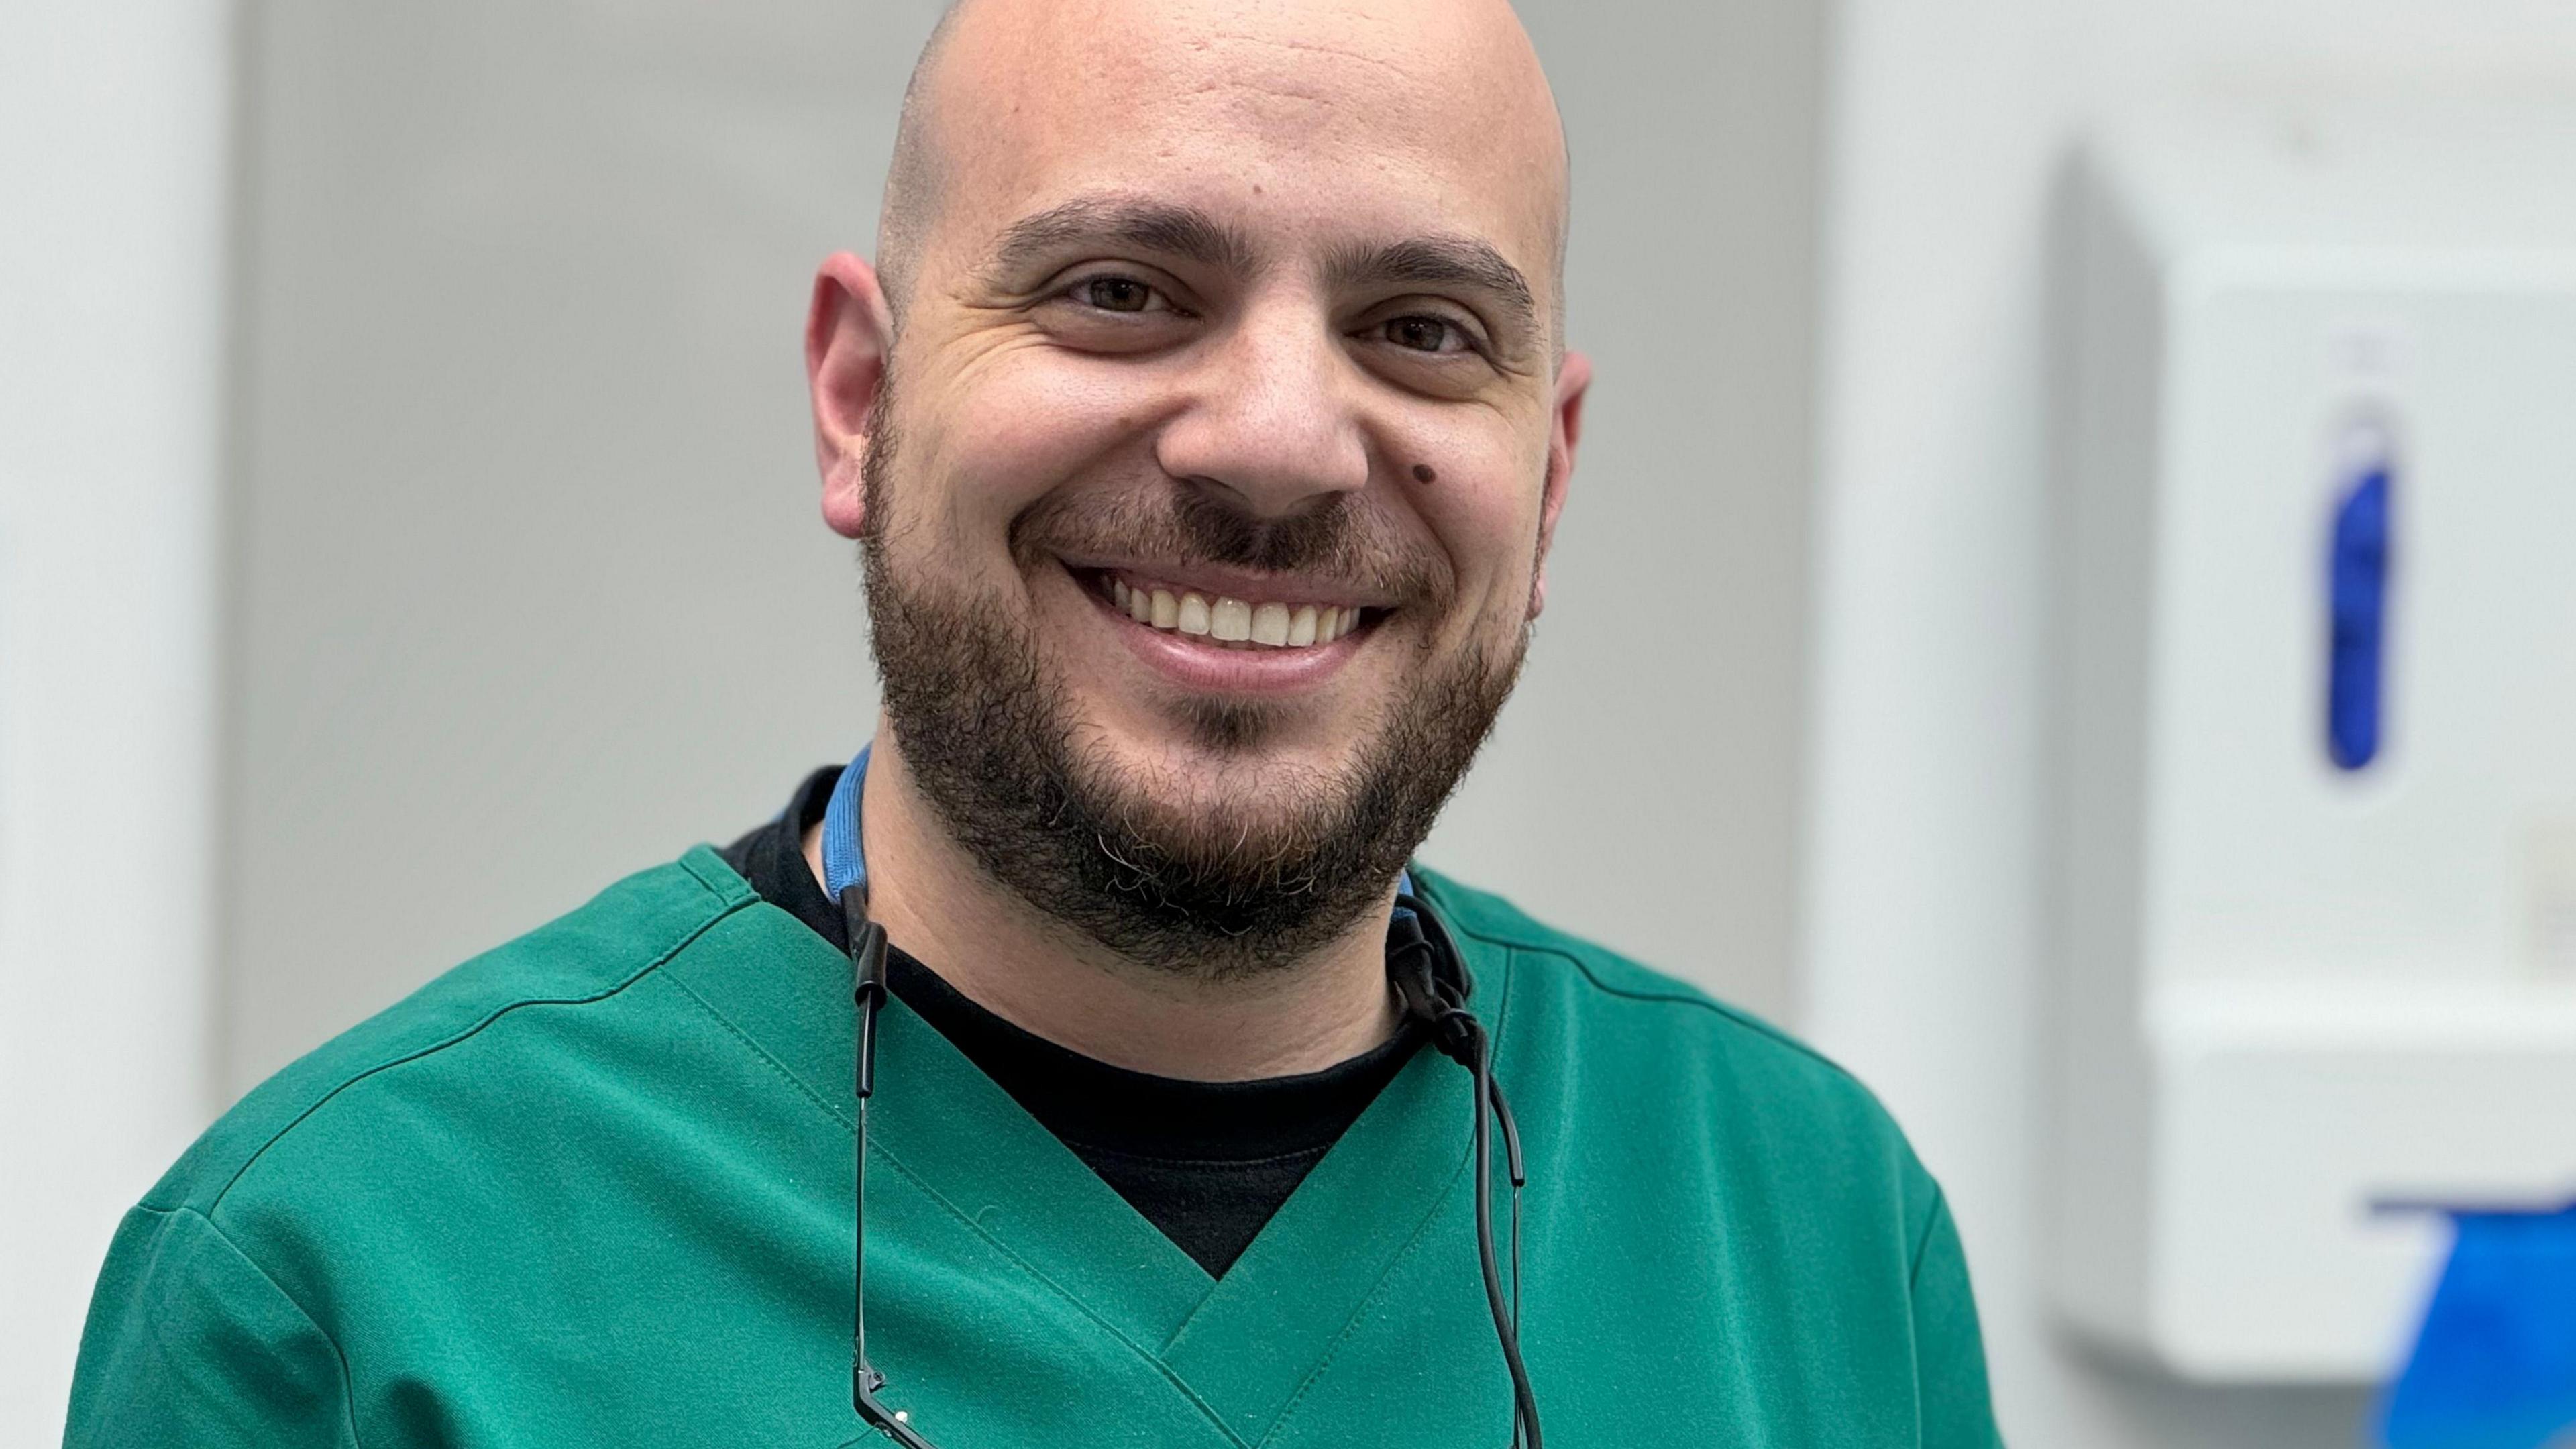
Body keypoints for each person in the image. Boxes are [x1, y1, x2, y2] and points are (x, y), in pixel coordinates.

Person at [66, 0, 2002, 1444]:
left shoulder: (1811, 1235)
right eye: (1121, 290)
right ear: (861, 399)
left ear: (1550, 476)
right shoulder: (344, 1291)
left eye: (1421, 330)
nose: (1276, 445)